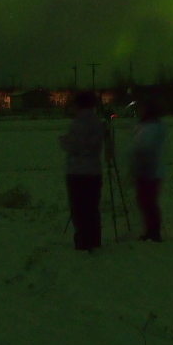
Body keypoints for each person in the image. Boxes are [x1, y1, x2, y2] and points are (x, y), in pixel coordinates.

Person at [58, 91, 106, 251]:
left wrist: (64, 142)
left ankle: (83, 242)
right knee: (92, 208)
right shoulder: (97, 122)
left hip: (77, 171)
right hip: (94, 171)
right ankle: (94, 239)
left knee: (79, 208)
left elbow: (75, 145)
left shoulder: (78, 123)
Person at [130, 97, 166, 242]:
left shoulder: (151, 128)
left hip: (149, 170)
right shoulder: (147, 126)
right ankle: (150, 230)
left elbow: (145, 149)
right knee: (146, 202)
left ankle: (153, 232)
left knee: (148, 202)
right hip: (146, 170)